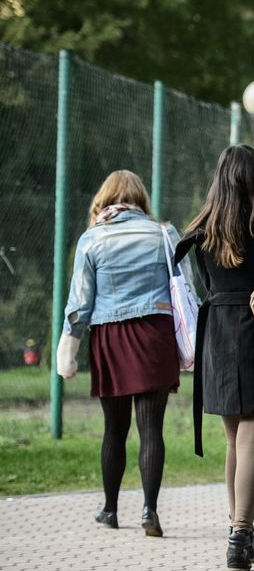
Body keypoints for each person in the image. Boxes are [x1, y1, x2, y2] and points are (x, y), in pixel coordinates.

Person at [177, 145, 254, 571]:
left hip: (219, 334)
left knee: (233, 441)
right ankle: (242, 532)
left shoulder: (202, 229)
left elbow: (201, 282)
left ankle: (235, 530)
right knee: (253, 441)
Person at [55, 170, 181, 537]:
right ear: (140, 199)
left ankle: (110, 509)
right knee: (151, 428)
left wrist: (69, 349)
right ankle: (149, 510)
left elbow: (79, 303)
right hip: (155, 334)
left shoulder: (92, 239)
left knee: (114, 428)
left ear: (105, 199)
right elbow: (184, 289)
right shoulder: (163, 233)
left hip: (110, 336)